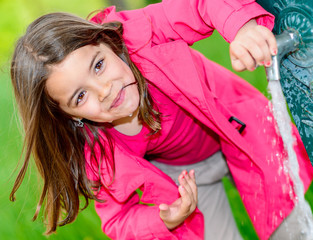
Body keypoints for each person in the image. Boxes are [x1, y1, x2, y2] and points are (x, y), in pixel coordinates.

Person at [9, 0, 313, 239]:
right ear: (68, 116)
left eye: (98, 65)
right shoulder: (95, 152)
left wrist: (241, 28)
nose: (103, 91)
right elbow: (118, 219)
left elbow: (199, 4)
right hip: (186, 177)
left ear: (108, 42)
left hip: (238, 131)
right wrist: (164, 217)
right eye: (80, 97)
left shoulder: (143, 37)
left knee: (289, 226)